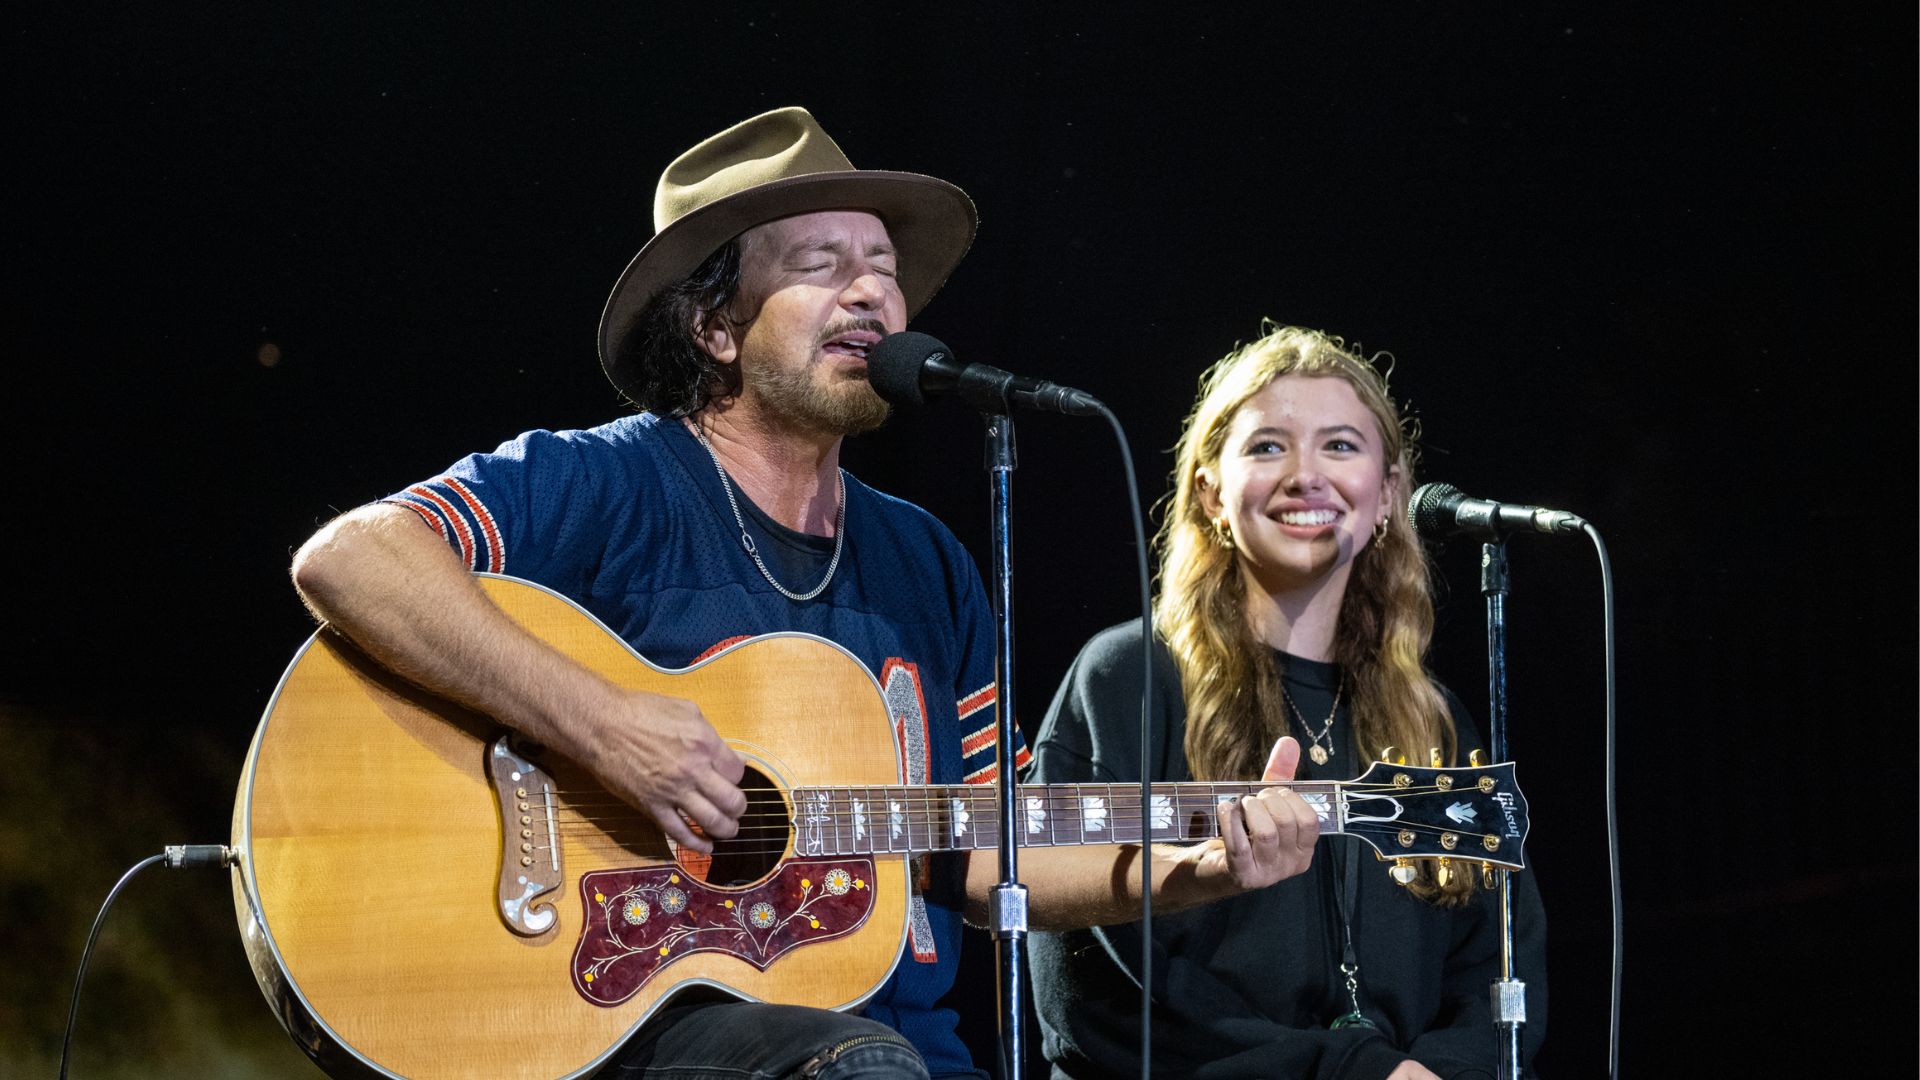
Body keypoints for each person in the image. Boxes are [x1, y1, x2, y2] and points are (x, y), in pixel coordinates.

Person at [290, 108, 1321, 1080]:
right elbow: (352, 558)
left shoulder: (924, 559)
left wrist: (1206, 869)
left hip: (897, 1045)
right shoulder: (608, 483)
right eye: (822, 266)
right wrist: (602, 728)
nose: (872, 293)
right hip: (638, 1027)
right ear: (715, 329)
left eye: (883, 268)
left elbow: (984, 849)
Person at [1027, 324, 1550, 1079]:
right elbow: (1088, 984)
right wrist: (1348, 1071)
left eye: (1340, 446)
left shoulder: (1433, 718)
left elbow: (1502, 961)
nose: (1307, 476)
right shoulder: (1127, 679)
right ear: (1209, 491)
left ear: (1388, 495)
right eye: (1268, 447)